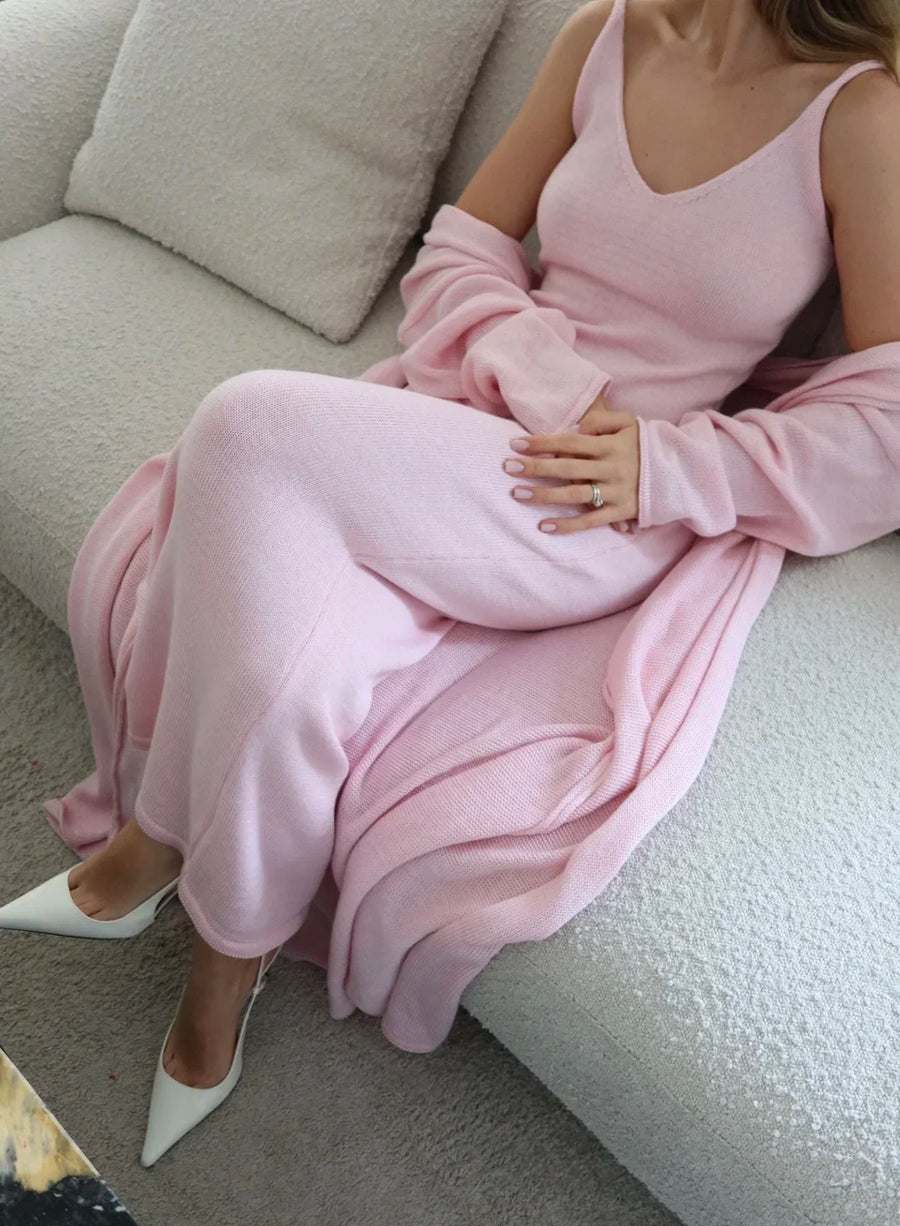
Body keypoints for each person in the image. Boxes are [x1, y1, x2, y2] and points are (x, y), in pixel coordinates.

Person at [4, 0, 898, 1167]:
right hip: (467, 418)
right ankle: (228, 962)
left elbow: (884, 425)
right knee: (300, 666)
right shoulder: (607, 32)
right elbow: (464, 247)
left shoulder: (859, 117)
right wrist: (546, 379)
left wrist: (668, 463)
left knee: (247, 424)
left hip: (597, 508)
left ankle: (156, 840)